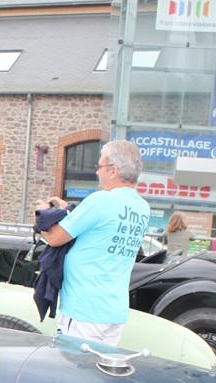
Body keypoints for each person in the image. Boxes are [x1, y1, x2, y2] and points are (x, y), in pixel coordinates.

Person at [40, 139, 149, 345]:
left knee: (72, 371)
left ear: (113, 170)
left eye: (99, 166)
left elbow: (54, 238)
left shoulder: (100, 200)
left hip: (84, 309)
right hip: (114, 310)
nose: (97, 172)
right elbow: (104, 227)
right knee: (98, 374)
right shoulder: (142, 207)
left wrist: (41, 214)